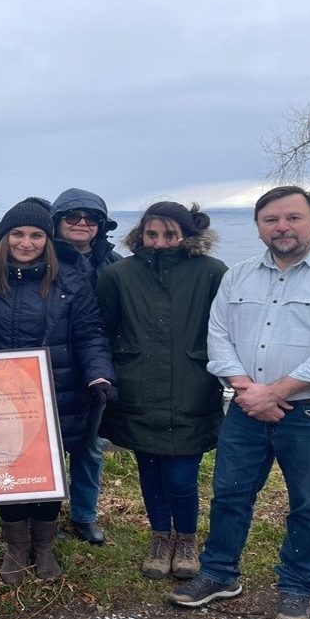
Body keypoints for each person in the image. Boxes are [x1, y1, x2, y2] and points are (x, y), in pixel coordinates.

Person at [167, 186, 310, 619]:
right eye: (271, 220)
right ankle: (219, 573)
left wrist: (275, 391)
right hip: (246, 408)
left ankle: (297, 588)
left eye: (293, 218)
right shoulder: (238, 276)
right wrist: (248, 390)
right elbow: (217, 336)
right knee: (230, 494)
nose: (282, 227)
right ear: (259, 226)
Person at [0, 197, 115, 584]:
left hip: (55, 391)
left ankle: (43, 546)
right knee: (8, 469)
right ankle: (15, 547)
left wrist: (100, 375)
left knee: (48, 471)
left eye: (35, 235)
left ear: (48, 239)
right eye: (17, 234)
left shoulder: (71, 279)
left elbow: (89, 333)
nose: (26, 243)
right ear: (4, 237)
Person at [96, 202, 227, 579]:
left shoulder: (213, 273)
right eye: (152, 234)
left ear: (187, 234)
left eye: (170, 234)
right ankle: (159, 537)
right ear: (141, 234)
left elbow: (228, 329)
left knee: (182, 477)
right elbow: (103, 331)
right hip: (139, 390)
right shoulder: (119, 275)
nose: (160, 242)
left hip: (193, 388)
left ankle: (186, 538)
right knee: (150, 473)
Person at [50, 187, 124, 545]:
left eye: (91, 218)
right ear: (57, 221)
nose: (82, 223)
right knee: (43, 445)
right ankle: (41, 516)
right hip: (49, 361)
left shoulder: (114, 263)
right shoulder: (39, 255)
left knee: (90, 444)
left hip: (96, 364)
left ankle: (84, 514)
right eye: (72, 216)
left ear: (101, 225)